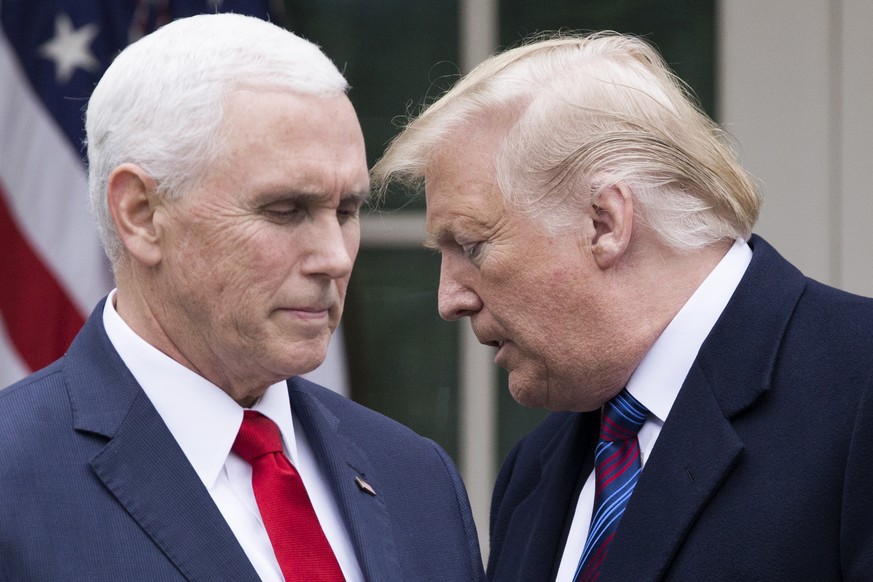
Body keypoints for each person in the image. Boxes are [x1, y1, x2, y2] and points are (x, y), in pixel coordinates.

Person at [371, 32, 873, 581]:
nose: (450, 300)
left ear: (604, 223)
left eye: (471, 246)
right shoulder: (534, 472)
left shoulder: (857, 389)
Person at [0, 13, 484, 581]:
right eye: (285, 210)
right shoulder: (14, 477)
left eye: (347, 212)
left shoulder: (417, 481)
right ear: (141, 214)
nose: (334, 257)